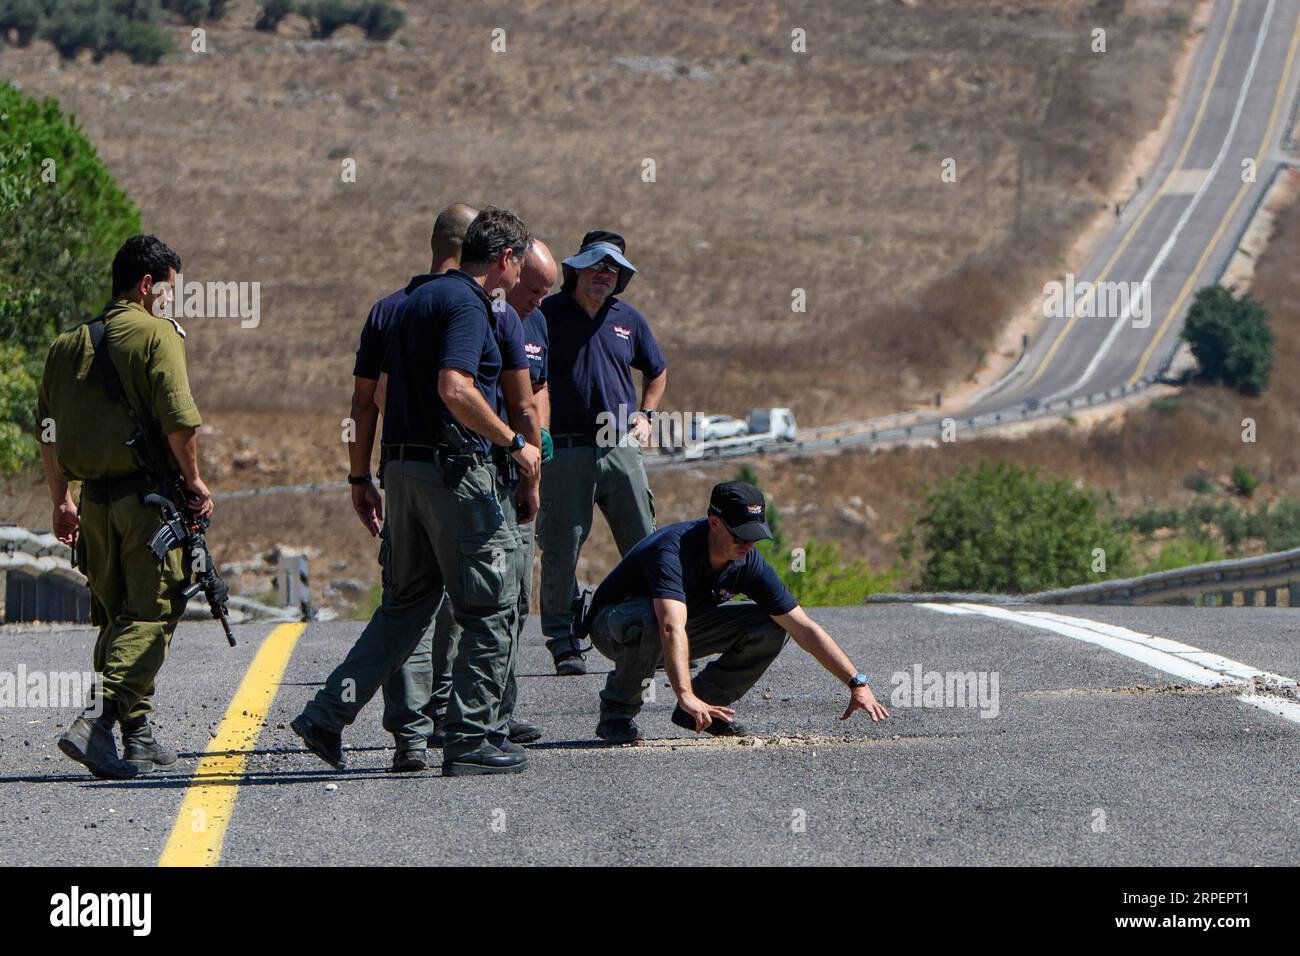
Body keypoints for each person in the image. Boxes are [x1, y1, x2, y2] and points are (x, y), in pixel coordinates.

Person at [292, 207, 541, 777]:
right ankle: (472, 738)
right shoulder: (470, 305)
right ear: (504, 259)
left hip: (402, 474)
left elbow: (369, 399)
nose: (517, 278)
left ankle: (327, 715)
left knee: (404, 607)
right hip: (456, 476)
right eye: (519, 264)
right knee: (492, 603)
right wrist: (512, 444)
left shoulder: (408, 305)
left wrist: (363, 477)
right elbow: (454, 387)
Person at [38, 235, 212, 779]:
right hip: (147, 502)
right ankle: (97, 722)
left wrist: (60, 500)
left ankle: (135, 734)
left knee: (117, 619)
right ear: (145, 286)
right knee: (153, 612)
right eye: (168, 292)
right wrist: (196, 481)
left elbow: (46, 431)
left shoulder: (65, 345)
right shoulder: (158, 336)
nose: (170, 303)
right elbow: (179, 420)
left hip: (93, 505)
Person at [585, 481, 890, 743]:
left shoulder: (747, 561)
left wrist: (856, 682)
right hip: (614, 627)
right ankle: (617, 714)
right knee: (652, 619)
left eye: (755, 535)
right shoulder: (673, 551)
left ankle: (704, 709)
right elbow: (669, 627)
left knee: (770, 625)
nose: (748, 544)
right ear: (714, 523)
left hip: (673, 628)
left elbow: (804, 628)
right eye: (741, 535)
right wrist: (684, 692)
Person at [418, 239, 558, 753]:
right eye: (533, 288)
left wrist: (535, 472)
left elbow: (535, 396)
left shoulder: (531, 322)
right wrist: (522, 453)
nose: (538, 300)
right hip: (479, 471)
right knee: (470, 602)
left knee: (515, 599)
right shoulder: (479, 313)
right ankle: (448, 713)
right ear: (511, 270)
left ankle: (496, 709)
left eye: (546, 293)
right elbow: (464, 392)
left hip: (515, 473)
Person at [537, 230, 667, 675]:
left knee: (645, 544)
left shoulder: (628, 319)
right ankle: (563, 641)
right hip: (565, 450)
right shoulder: (545, 314)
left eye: (612, 269)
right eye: (596, 266)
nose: (603, 275)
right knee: (560, 547)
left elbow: (657, 370)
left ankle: (655, 629)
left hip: (620, 446)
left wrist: (647, 416)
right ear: (575, 269)